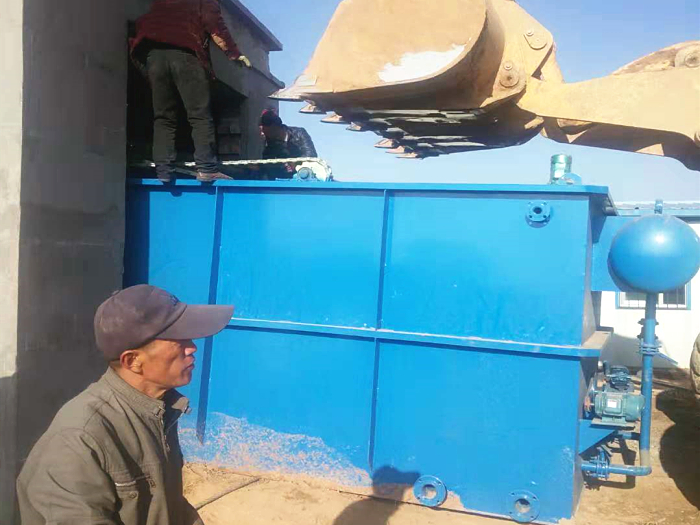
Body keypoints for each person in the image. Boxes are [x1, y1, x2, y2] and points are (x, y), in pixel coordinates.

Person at [17, 285, 234, 525]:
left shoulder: (158, 410)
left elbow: (167, 505)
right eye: (178, 341)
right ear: (133, 361)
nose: (192, 347)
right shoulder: (79, 439)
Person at [130, 0, 252, 183]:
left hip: (153, 55)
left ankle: (163, 170)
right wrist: (234, 53)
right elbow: (214, 24)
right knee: (199, 115)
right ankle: (207, 169)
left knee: (163, 117)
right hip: (185, 54)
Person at [257, 109, 318, 179]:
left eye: (264, 131)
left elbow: (311, 154)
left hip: (304, 177)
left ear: (274, 127)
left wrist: (295, 163)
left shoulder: (299, 133)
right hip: (283, 180)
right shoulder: (270, 144)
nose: (262, 134)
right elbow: (268, 165)